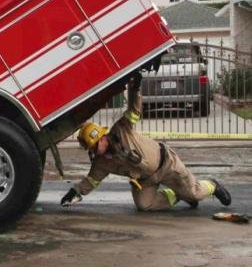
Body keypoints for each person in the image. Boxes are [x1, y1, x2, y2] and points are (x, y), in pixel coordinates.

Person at [61, 71, 231, 211]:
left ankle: (212, 185)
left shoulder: (121, 130)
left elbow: (134, 110)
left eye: (94, 145)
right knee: (144, 205)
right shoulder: (101, 163)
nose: (93, 151)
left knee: (194, 193)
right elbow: (91, 180)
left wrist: (135, 89)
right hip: (145, 180)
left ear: (102, 138)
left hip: (167, 165)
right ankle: (178, 195)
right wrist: (75, 192)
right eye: (91, 148)